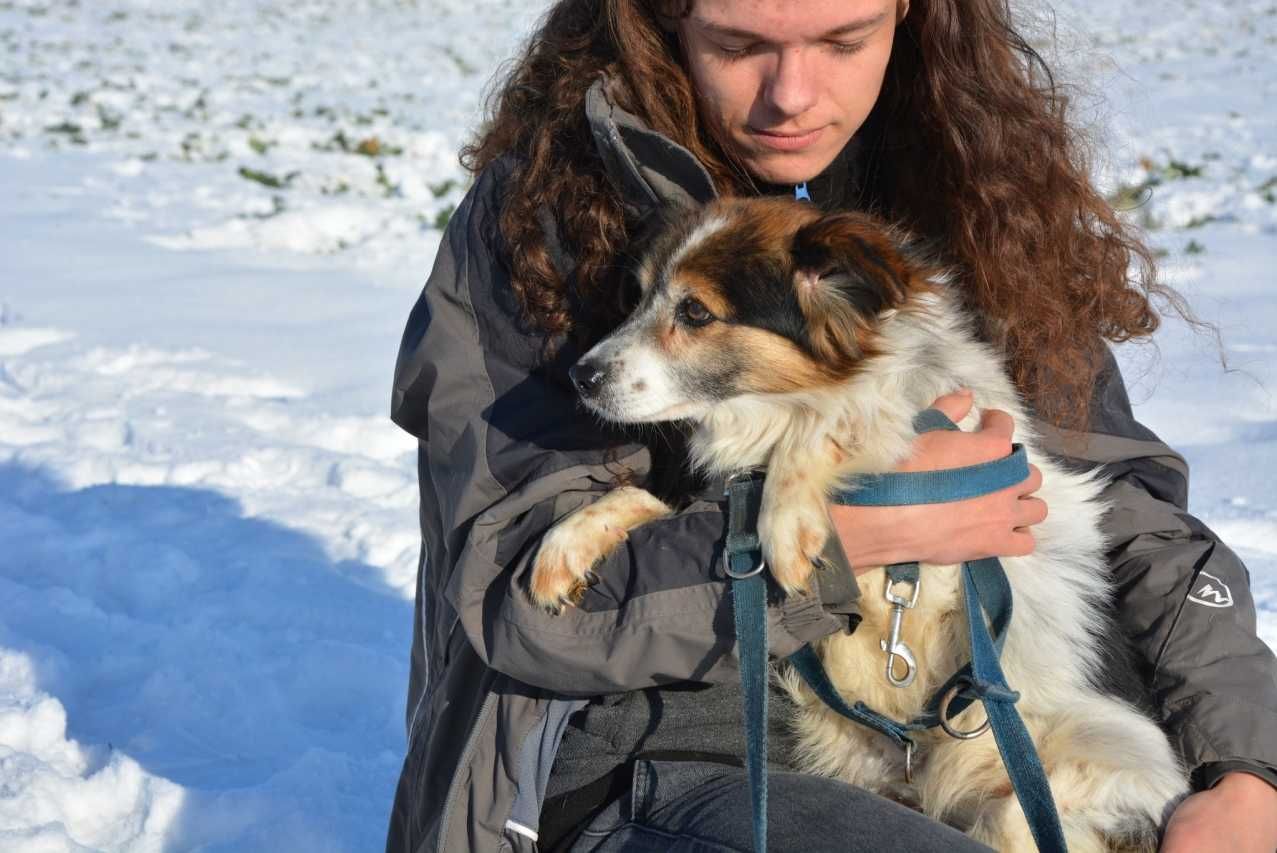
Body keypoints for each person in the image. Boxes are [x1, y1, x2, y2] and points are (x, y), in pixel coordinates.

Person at [384, 1, 1277, 850]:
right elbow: (520, 602)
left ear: (910, 17)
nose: (792, 96)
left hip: (998, 730)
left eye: (842, 42)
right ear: (664, 21)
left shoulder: (977, 193)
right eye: (740, 46)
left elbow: (1129, 513)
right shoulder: (547, 210)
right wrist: (859, 534)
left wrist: (1246, 767)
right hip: (682, 747)